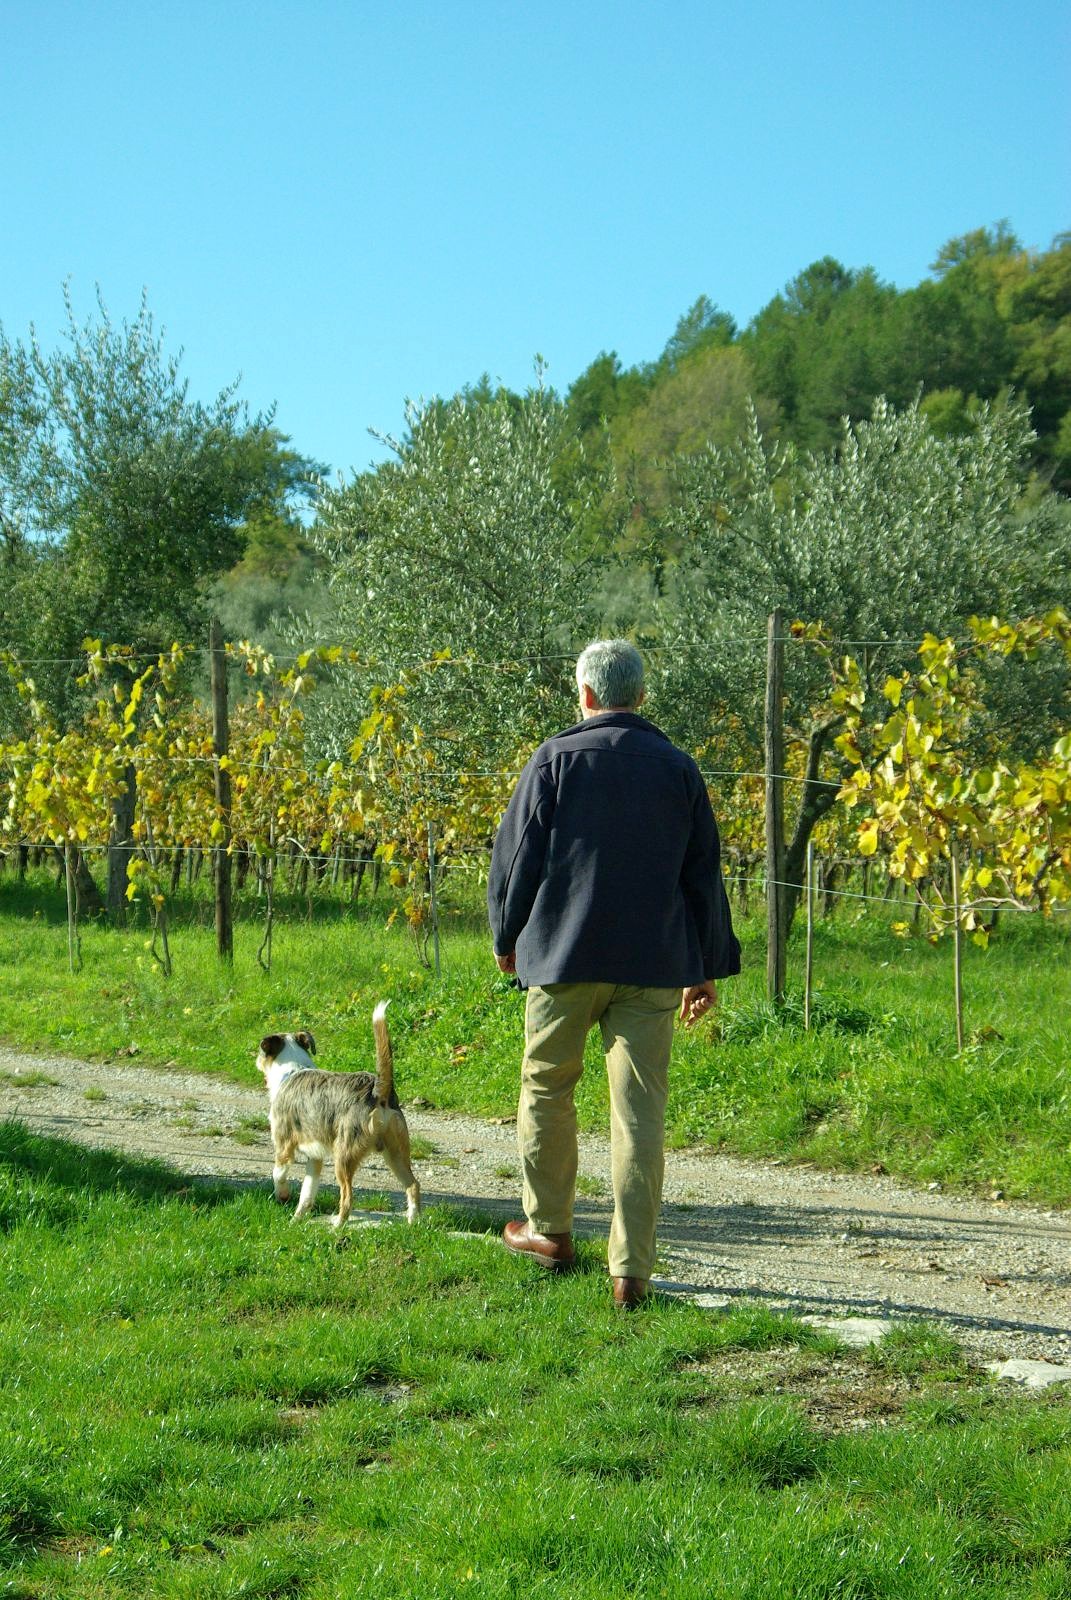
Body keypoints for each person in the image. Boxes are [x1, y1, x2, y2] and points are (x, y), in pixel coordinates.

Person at [487, 639, 740, 1307]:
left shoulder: (555, 759)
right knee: (639, 1114)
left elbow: (517, 860)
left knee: (546, 1090)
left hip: (563, 958)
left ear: (586, 695)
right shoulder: (678, 768)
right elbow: (702, 875)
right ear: (641, 697)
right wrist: (706, 966)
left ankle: (547, 1232)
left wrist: (505, 936)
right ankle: (630, 1270)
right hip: (653, 964)